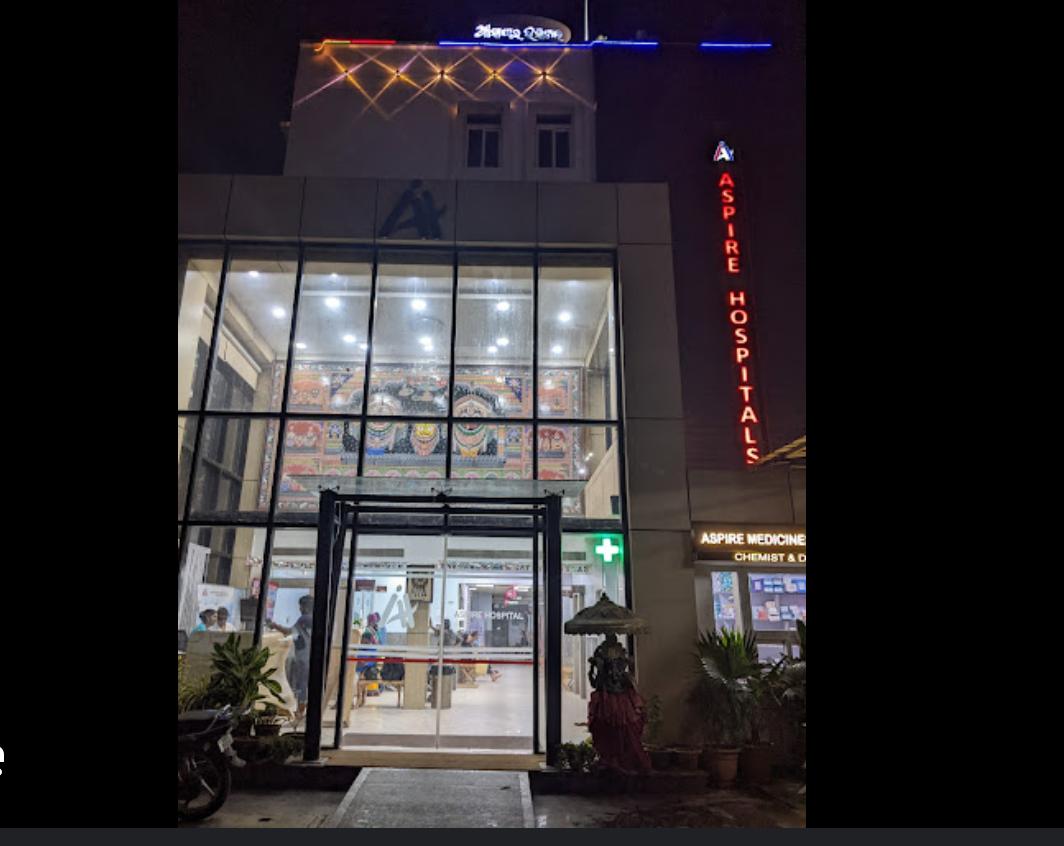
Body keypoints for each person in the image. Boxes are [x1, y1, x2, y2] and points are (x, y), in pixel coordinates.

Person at [267, 595, 313, 721]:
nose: (300, 609)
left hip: (304, 657)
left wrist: (274, 625)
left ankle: (300, 711)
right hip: (313, 657)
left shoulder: (304, 619)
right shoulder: (316, 619)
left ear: (306, 606)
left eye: (301, 606)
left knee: (302, 684)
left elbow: (289, 632)